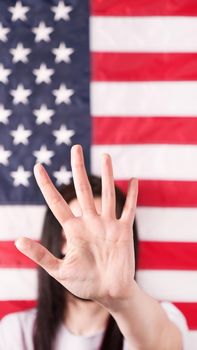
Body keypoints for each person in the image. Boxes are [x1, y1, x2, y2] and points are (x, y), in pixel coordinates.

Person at [0, 145, 188, 350]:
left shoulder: (163, 317)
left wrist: (123, 298)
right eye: (75, 236)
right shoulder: (18, 330)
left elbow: (162, 344)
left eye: (102, 236)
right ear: (57, 240)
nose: (91, 248)